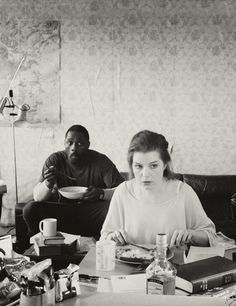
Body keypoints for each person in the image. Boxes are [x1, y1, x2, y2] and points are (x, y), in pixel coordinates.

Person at [101, 130, 217, 248]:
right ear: (132, 166)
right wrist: (112, 238)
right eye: (138, 166)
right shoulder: (122, 192)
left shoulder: (183, 192)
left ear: (165, 164)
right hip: (130, 264)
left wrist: (191, 235)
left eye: (154, 166)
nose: (145, 174)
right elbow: (105, 239)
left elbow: (210, 237)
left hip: (173, 265)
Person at [23, 124, 124, 240]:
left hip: (91, 213)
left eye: (79, 144)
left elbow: (122, 191)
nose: (74, 148)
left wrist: (101, 193)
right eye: (69, 142)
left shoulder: (101, 161)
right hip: (63, 211)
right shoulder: (55, 160)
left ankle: (99, 241)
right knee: (30, 208)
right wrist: (48, 184)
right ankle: (43, 245)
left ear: (88, 145)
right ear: (64, 143)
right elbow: (37, 197)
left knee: (117, 209)